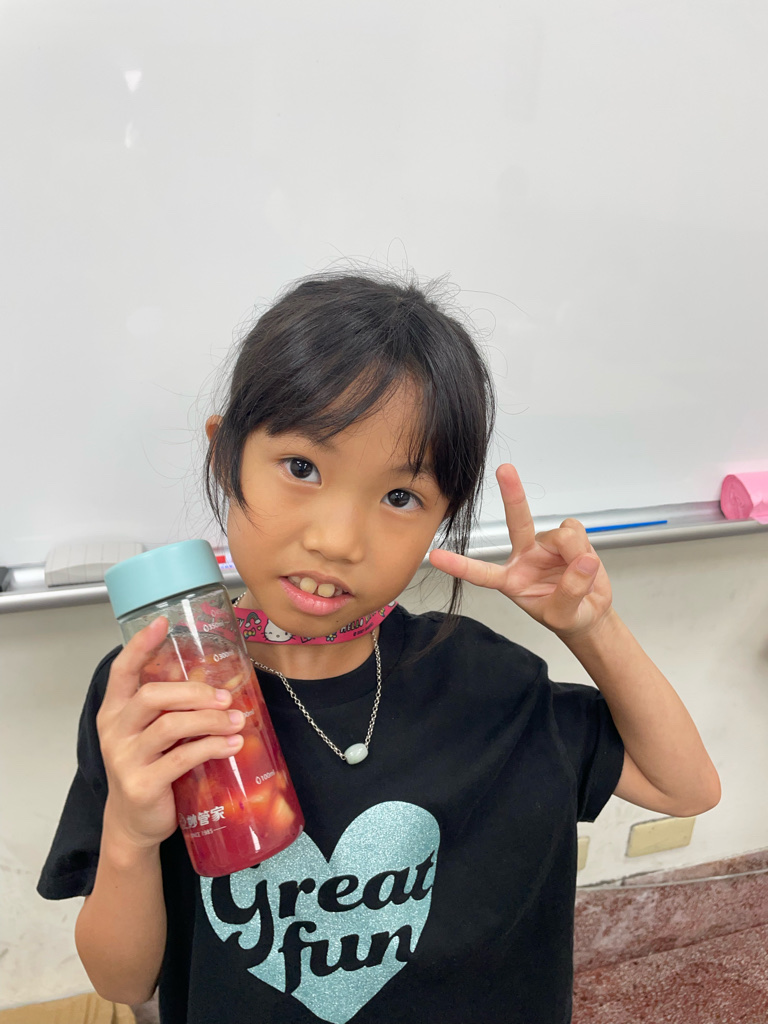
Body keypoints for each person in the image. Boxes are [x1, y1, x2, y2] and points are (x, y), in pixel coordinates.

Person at [37, 272, 721, 1024]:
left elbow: (684, 789)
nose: (337, 540)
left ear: (443, 518)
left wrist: (591, 628)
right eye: (302, 468)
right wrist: (131, 834)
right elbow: (124, 981)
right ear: (224, 456)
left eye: (401, 497)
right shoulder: (164, 691)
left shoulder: (485, 681)